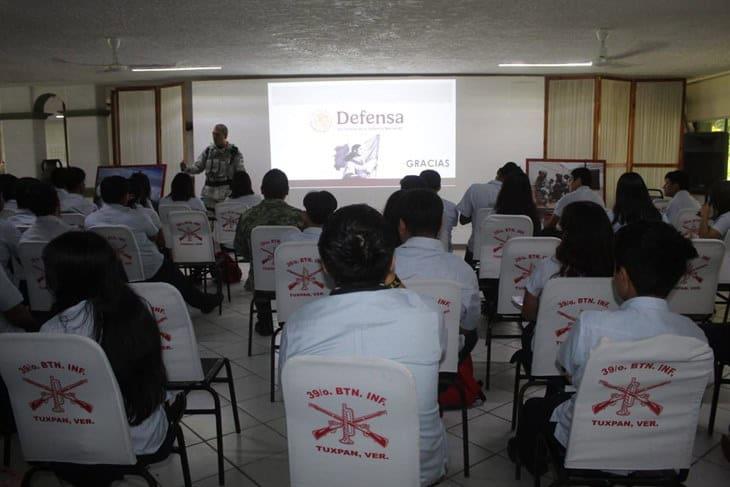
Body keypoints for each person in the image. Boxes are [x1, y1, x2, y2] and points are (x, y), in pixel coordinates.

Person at [510, 221, 707, 474]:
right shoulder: (695, 337)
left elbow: (569, 373)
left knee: (534, 408)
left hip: (587, 441)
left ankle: (532, 462)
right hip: (659, 451)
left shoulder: (592, 324)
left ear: (623, 277)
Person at [279, 204, 448, 486]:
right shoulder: (428, 314)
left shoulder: (297, 324)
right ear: (393, 262)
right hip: (416, 472)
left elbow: (290, 394)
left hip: (325, 471)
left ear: (324, 266)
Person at [40, 232, 184, 485]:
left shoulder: (50, 330)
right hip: (140, 441)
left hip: (73, 447)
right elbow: (155, 377)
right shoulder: (138, 311)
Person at [85, 176, 220, 313]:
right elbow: (158, 239)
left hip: (113, 270)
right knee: (173, 273)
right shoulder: (138, 217)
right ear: (125, 196)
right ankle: (203, 302)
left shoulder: (90, 220)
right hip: (148, 268)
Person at [394, 189, 481, 361]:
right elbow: (469, 325)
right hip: (446, 357)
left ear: (402, 226)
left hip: (395, 355)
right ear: (441, 224)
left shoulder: (384, 265)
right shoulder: (462, 270)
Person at [233, 169, 302, 334]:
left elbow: (240, 249)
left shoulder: (248, 216)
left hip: (260, 282)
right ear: (287, 191)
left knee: (260, 275)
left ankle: (264, 321)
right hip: (294, 280)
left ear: (262, 190)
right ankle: (291, 321)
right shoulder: (300, 217)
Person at [522, 201, 614, 322]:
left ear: (566, 234)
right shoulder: (616, 272)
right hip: (600, 340)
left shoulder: (547, 267)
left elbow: (528, 313)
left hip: (550, 340)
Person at [457, 161, 522, 263]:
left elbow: (463, 220)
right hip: (505, 255)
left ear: (499, 172)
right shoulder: (519, 197)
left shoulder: (475, 189)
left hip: (476, 252)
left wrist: (477, 215)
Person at [181, 123, 245, 210]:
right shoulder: (208, 151)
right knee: (209, 219)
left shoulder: (234, 153)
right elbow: (198, 167)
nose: (214, 137)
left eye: (217, 135)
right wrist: (187, 169)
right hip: (208, 195)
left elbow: (241, 174)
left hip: (226, 196)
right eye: (213, 134)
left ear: (225, 135)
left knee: (224, 220)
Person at [420, 169, 459, 251]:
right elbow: (452, 224)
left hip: (418, 254)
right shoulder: (451, 207)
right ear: (439, 187)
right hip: (445, 252)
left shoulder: (411, 208)